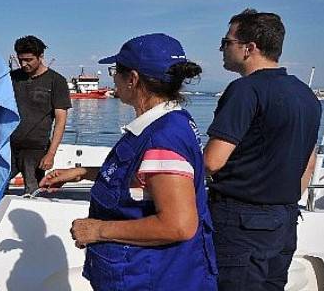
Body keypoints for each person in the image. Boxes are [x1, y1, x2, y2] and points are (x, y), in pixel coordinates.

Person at [40, 33, 217, 291]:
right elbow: (143, 177)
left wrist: (98, 230)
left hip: (150, 277)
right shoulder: (170, 121)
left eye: (115, 72)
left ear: (132, 79)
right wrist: (82, 172)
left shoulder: (162, 138)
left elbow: (178, 225)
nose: (113, 79)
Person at [204, 9, 321, 290]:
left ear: (249, 48)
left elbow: (212, 162)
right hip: (285, 221)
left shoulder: (245, 90)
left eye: (226, 41)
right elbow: (309, 163)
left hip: (241, 224)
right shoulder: (306, 95)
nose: (221, 48)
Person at [9, 36, 71, 194]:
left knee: (33, 192)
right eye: (21, 59)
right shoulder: (12, 78)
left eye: (29, 59)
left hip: (36, 149)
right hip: (8, 146)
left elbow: (60, 121)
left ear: (41, 56)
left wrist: (50, 154)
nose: (24, 64)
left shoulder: (56, 81)